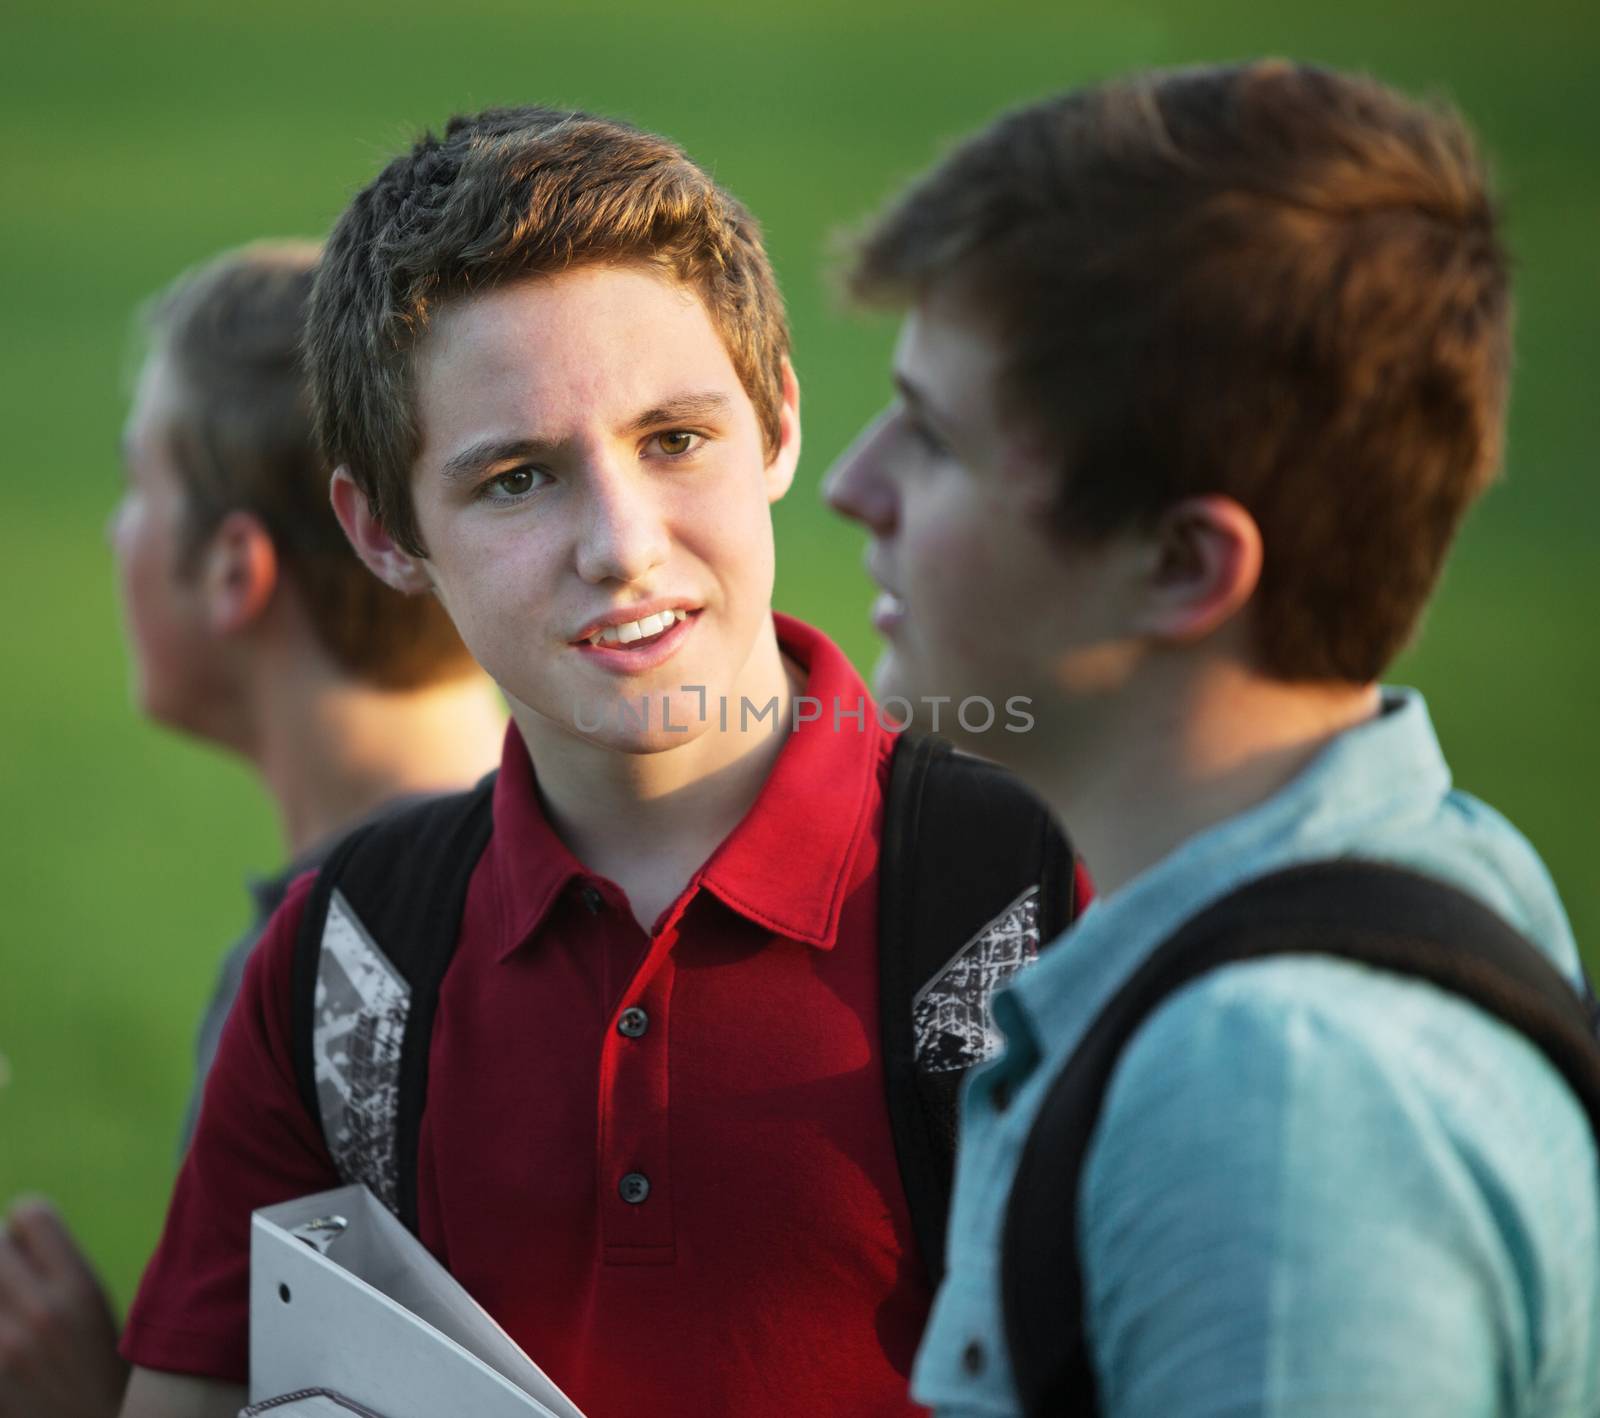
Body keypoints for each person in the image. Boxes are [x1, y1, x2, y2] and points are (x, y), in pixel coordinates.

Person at [114, 109, 1082, 1418]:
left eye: (675, 439)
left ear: (779, 422)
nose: (622, 543)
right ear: (385, 530)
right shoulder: (346, 964)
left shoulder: (1038, 894)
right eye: (516, 479)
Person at [824, 60, 1600, 1416]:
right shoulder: (1427, 870)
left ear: (1183, 564)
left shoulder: (1280, 1101)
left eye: (937, 439)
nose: (852, 484)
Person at [0, 242, 505, 1418]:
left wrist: (99, 1399)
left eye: (138, 482)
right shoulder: (561, 867)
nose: (117, 530)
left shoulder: (325, 965)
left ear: (233, 567)